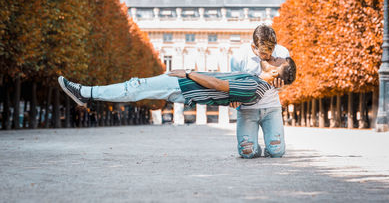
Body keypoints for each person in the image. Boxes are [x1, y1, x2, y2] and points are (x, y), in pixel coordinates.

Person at [58, 58, 296, 112]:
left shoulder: (254, 87)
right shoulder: (256, 84)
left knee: (135, 87)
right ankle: (87, 93)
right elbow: (229, 96)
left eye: (276, 60)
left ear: (275, 71)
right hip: (185, 88)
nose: (272, 56)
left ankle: (85, 93)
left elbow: (218, 85)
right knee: (135, 88)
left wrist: (189, 72)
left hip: (185, 85)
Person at [230, 24, 291, 159]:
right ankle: (254, 148)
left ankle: (271, 148)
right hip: (247, 109)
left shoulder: (283, 53)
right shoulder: (239, 56)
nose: (268, 56)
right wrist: (234, 98)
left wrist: (282, 85)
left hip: (272, 107)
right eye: (263, 53)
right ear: (254, 47)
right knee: (247, 153)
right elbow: (234, 83)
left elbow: (286, 83)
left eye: (271, 52)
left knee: (277, 152)